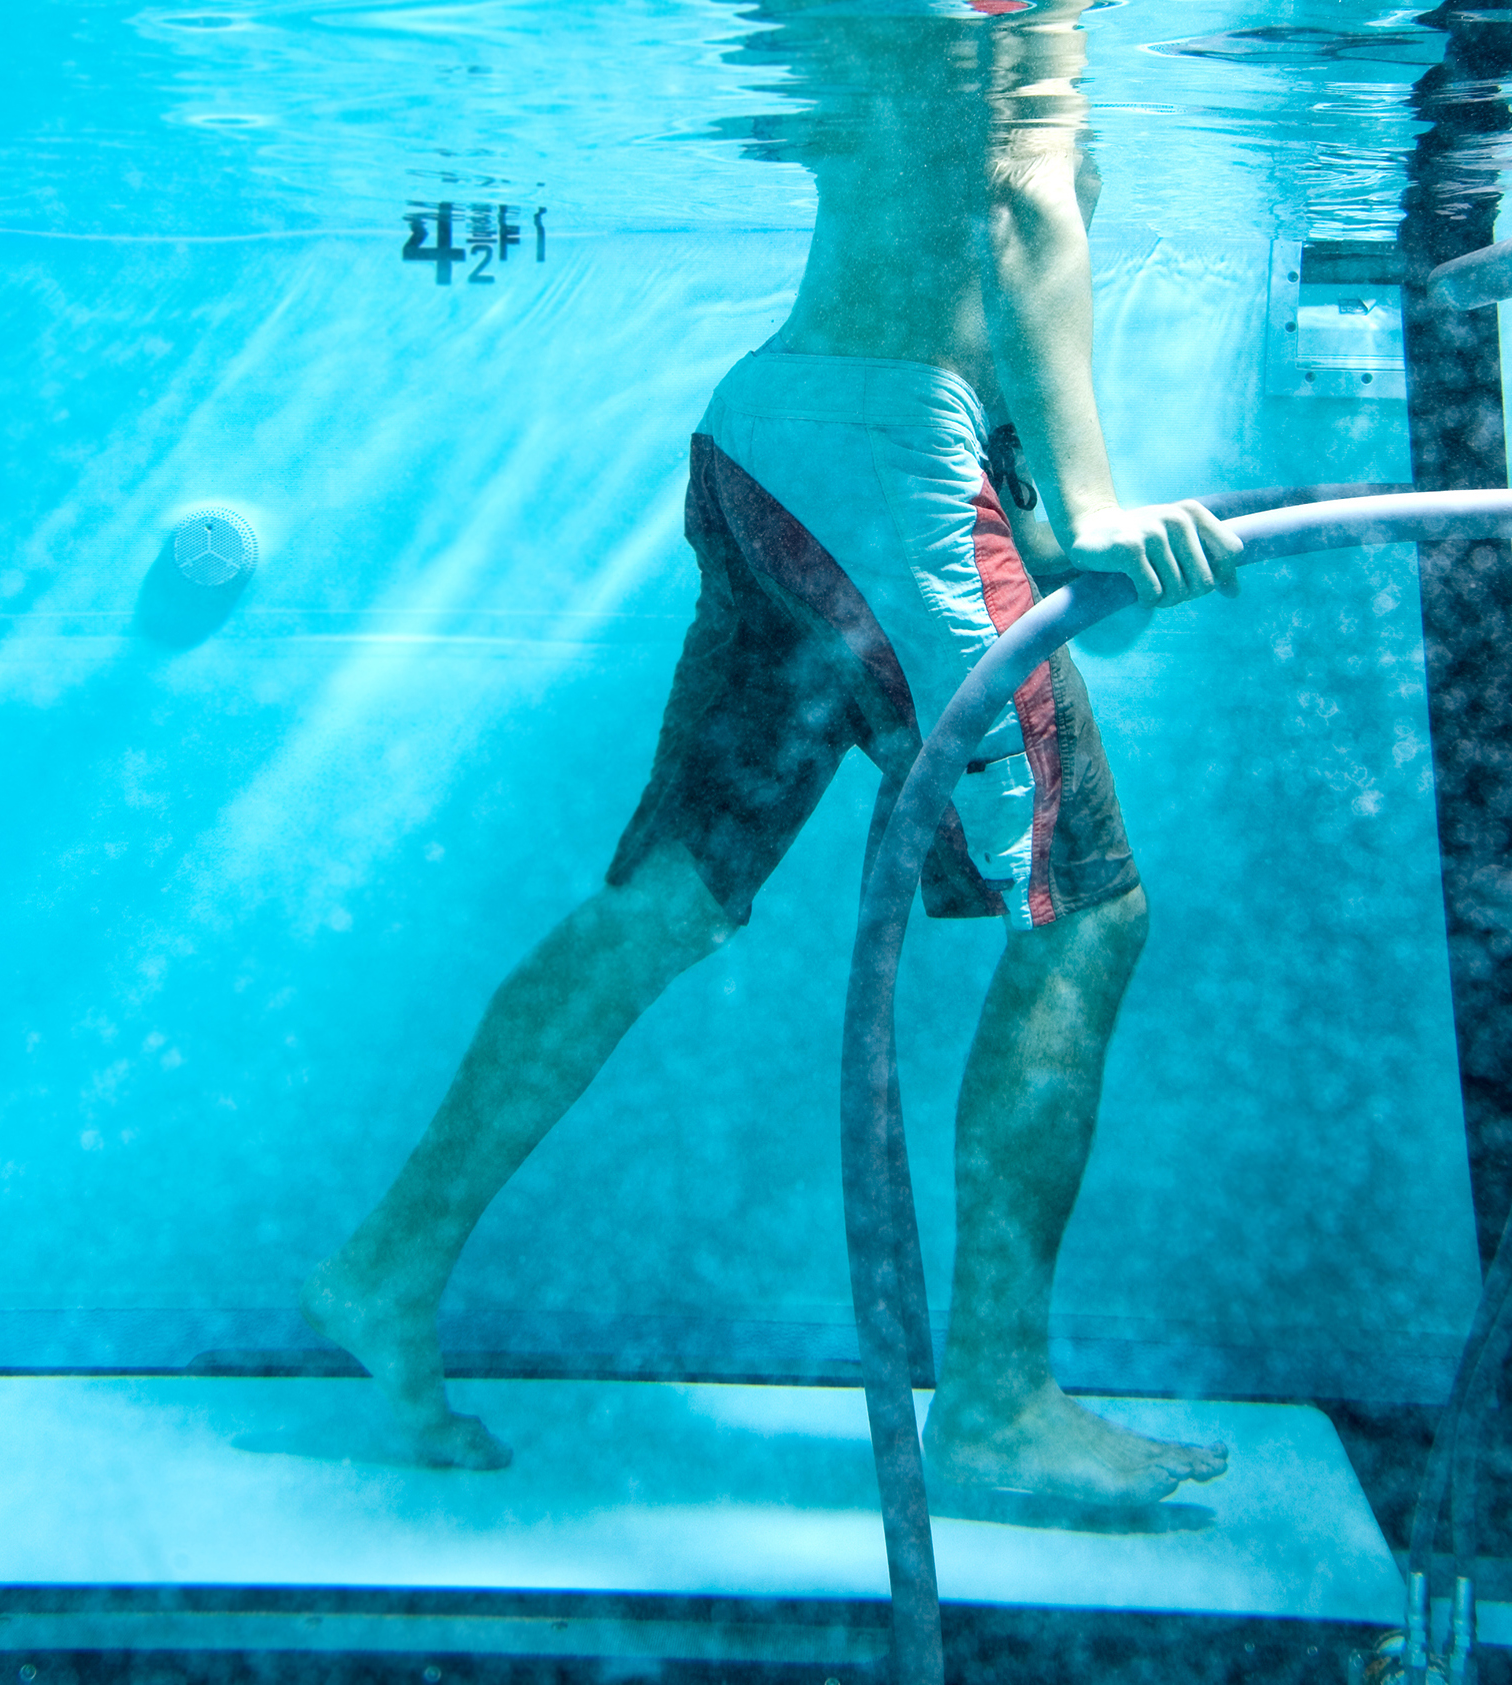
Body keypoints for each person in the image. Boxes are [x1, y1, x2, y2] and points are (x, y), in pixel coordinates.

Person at [303, 0, 1241, 1508]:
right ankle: (997, 1402)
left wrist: (1075, 532)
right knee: (1088, 913)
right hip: (884, 451)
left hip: (783, 432)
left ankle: (388, 1258)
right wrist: (1092, 491)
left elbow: (954, 229)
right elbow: (1016, 196)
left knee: (666, 900)